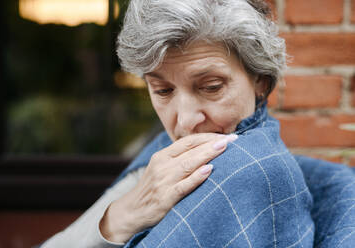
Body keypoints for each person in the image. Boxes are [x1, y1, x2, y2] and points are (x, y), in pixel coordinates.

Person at [40, 0, 355, 247]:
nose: (187, 120)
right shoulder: (160, 161)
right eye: (163, 90)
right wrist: (122, 216)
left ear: (260, 80)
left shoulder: (255, 173)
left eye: (211, 87)